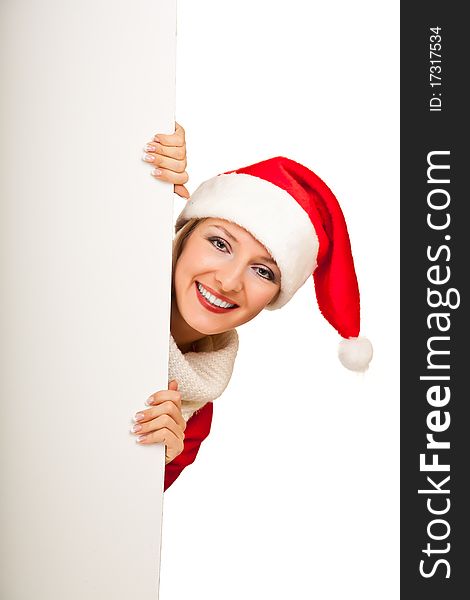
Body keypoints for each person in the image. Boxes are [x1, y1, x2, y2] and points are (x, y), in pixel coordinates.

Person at [131, 122, 373, 491]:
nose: (229, 282)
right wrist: (141, 151)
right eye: (220, 243)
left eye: (263, 271)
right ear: (183, 237)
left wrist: (153, 464)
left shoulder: (195, 413)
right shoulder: (113, 283)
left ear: (275, 295)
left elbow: (105, 529)